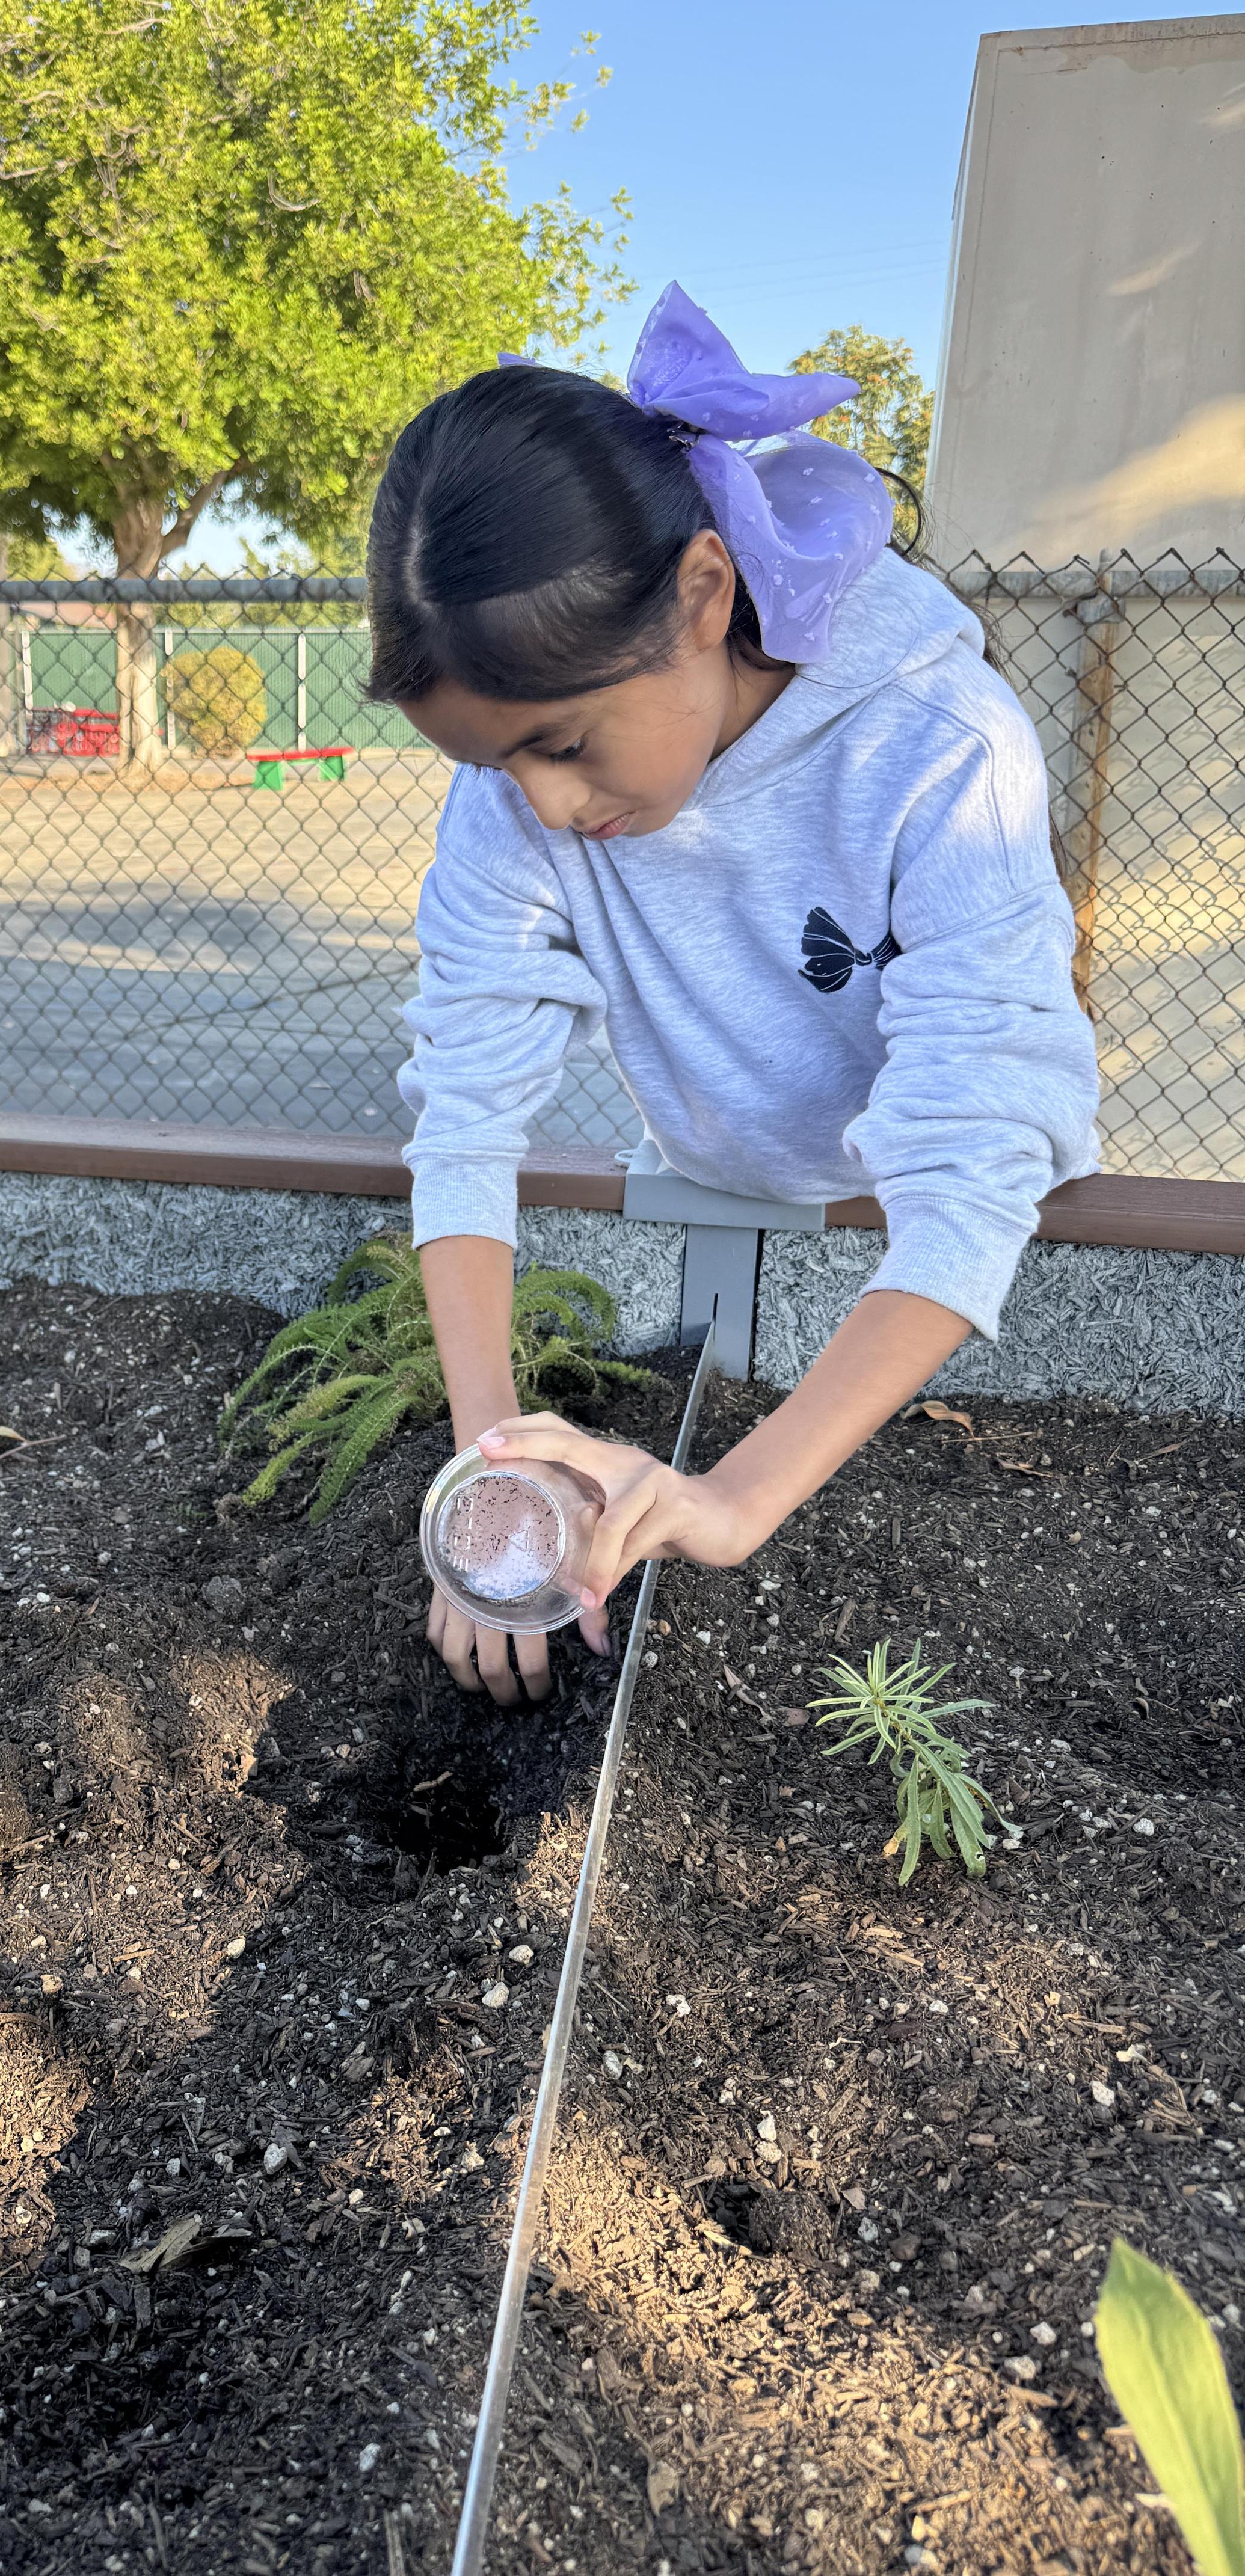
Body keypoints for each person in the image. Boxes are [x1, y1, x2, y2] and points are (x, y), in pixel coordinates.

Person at [368, 283, 1099, 1705]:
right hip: (714, 1161)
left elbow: (971, 1159)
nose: (542, 806)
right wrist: (496, 1481)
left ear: (704, 595)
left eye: (560, 744)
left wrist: (732, 1497)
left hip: (898, 1246)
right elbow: (464, 1107)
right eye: (493, 765)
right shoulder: (514, 798)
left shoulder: (934, 744)